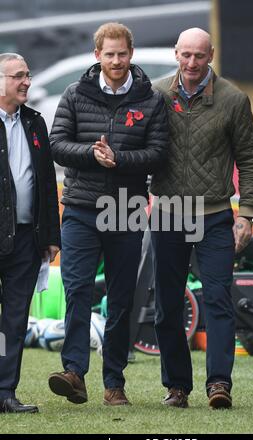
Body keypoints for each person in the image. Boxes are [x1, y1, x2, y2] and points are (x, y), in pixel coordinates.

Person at [48, 23, 168, 406]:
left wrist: (119, 160)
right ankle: (74, 373)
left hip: (127, 209)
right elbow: (56, 144)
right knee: (77, 291)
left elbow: (158, 154)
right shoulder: (74, 94)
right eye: (109, 54)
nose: (116, 60)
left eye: (122, 53)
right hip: (81, 208)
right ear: (96, 54)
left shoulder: (151, 100)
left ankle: (114, 382)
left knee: (120, 300)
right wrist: (90, 154)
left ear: (131, 54)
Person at [150, 28, 253, 409]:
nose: (192, 63)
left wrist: (246, 214)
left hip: (215, 216)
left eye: (200, 56)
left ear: (211, 54)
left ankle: (219, 385)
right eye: (186, 55)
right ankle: (177, 387)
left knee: (217, 299)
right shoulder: (156, 94)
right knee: (167, 304)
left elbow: (250, 159)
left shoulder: (234, 99)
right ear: (175, 53)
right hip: (166, 216)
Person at [0, 53, 61, 413]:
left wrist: (50, 236)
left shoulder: (36, 122)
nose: (26, 81)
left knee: (15, 318)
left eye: (28, 75)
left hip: (25, 238)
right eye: (18, 76)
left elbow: (46, 183)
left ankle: (5, 391)